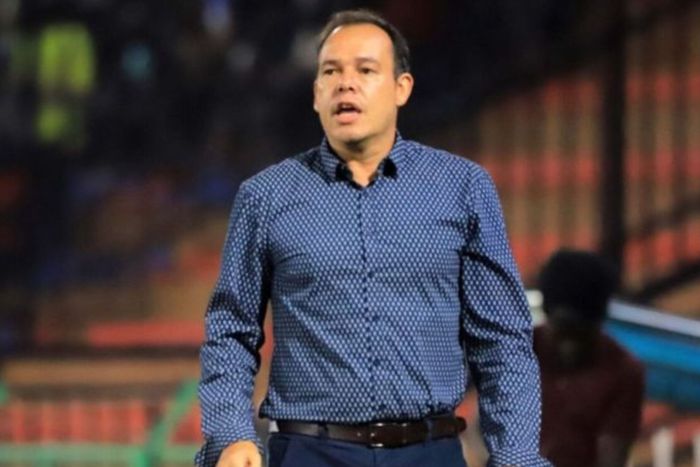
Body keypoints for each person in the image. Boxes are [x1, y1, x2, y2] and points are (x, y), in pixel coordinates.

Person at [197, 9, 551, 467]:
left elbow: (501, 340)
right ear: (316, 94)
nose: (346, 84)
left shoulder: (462, 188)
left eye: (365, 70)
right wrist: (231, 434)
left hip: (430, 454)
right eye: (331, 72)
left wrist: (516, 455)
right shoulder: (265, 197)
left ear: (402, 88)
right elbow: (230, 331)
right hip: (308, 453)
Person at [534, 249, 645, 467]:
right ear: (547, 316)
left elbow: (611, 458)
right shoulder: (518, 351)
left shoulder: (623, 372)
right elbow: (481, 430)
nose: (570, 346)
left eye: (580, 333)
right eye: (564, 330)